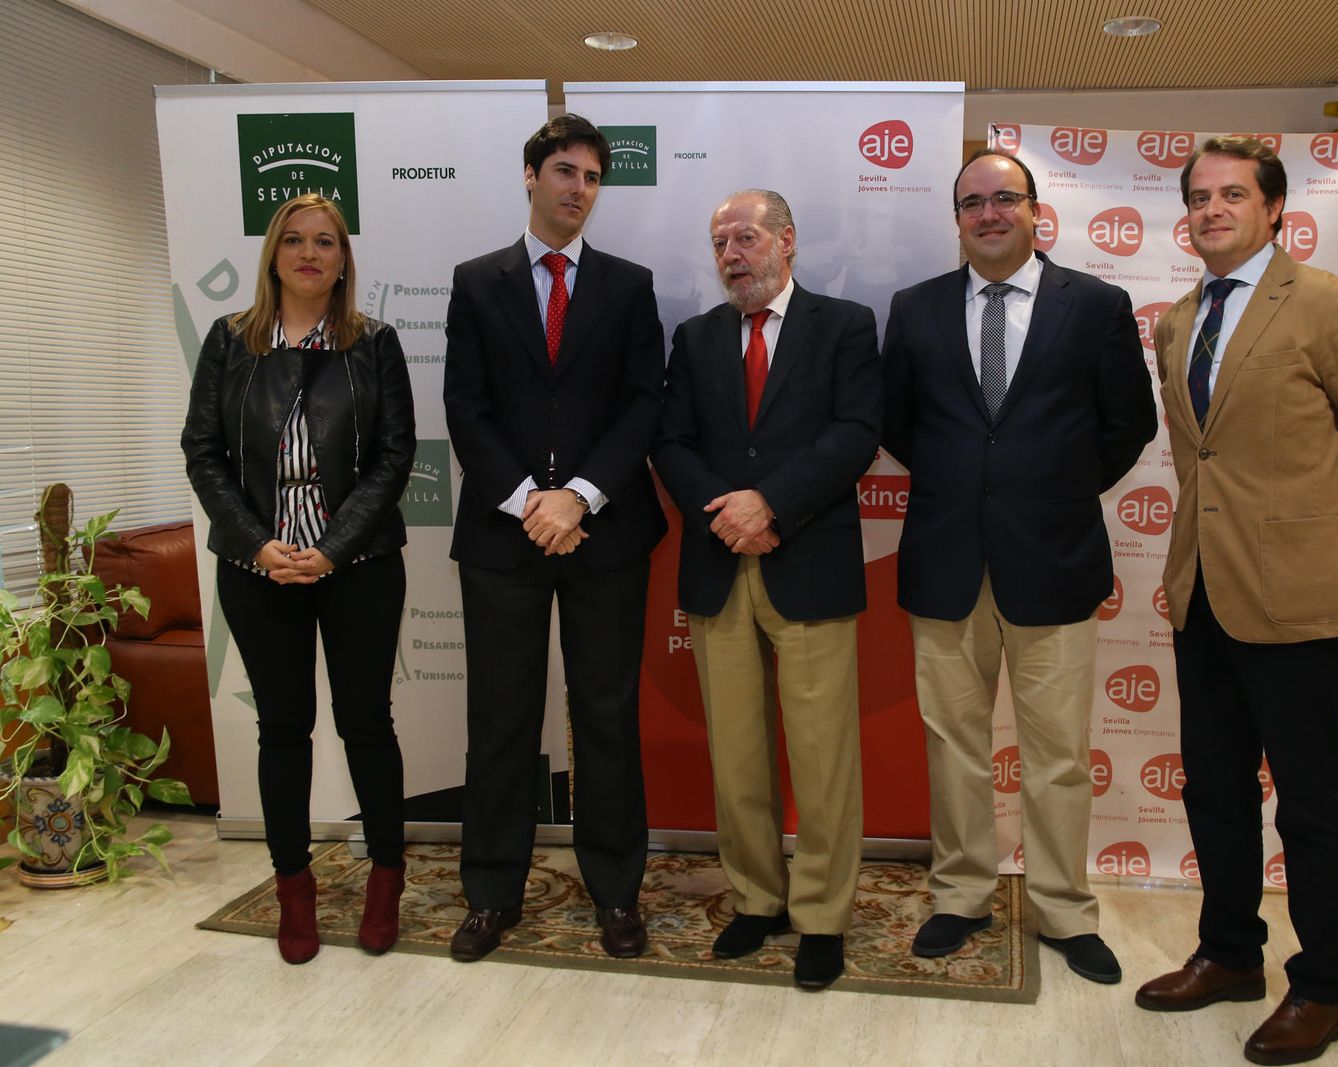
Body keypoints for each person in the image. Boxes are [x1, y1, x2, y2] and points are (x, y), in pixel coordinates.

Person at [1136, 136, 1338, 1065]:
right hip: (1204, 591)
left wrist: (1337, 548)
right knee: (1214, 788)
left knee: (1311, 800)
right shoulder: (1178, 321)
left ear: (1273, 210)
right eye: (1199, 197)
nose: (1211, 209)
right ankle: (1229, 953)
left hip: (1302, 600)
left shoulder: (1331, 304)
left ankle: (1323, 985)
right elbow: (1197, 456)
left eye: (1231, 195)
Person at [881, 150, 1155, 983]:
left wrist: (1052, 492)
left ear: (1037, 212)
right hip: (946, 561)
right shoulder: (916, 307)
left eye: (1006, 198)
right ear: (956, 217)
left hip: (1056, 559)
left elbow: (1127, 423)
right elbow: (897, 422)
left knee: (1059, 753)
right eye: (973, 202)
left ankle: (1065, 910)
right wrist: (971, 487)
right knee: (955, 744)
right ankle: (960, 894)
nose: (989, 213)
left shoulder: (1096, 304)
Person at [442, 115, 665, 962]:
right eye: (566, 172)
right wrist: (527, 501)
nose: (580, 189)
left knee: (606, 717)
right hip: (504, 538)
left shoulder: (628, 283)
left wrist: (575, 498)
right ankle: (493, 894)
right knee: (500, 719)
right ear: (530, 175)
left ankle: (616, 892)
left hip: (604, 535)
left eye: (594, 177)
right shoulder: (477, 280)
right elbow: (467, 405)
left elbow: (645, 400)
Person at [652, 189, 880, 990]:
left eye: (745, 237)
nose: (731, 255)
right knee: (738, 755)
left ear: (787, 240)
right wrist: (728, 516)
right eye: (719, 243)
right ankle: (756, 899)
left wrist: (770, 503)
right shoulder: (695, 336)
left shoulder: (844, 326)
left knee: (822, 757)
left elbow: (855, 433)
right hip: (721, 567)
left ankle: (821, 914)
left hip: (806, 559)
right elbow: (670, 439)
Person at [181, 193, 416, 964]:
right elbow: (203, 450)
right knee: (282, 730)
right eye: (294, 240)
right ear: (273, 255)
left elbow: (393, 455)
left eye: (326, 241)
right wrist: (256, 544)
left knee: (365, 724)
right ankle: (295, 887)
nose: (310, 253)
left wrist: (334, 546)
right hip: (259, 571)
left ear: (345, 260)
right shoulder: (229, 342)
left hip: (360, 567)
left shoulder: (374, 344)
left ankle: (386, 875)